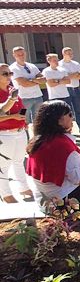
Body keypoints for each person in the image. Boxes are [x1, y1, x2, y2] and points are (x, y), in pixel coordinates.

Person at [0, 63, 32, 203]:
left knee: (19, 162)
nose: (9, 77)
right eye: (5, 74)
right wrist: (12, 116)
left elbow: (22, 106)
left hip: (19, 132)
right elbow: (2, 111)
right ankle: (6, 194)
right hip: (4, 134)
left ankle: (23, 188)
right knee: (3, 166)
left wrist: (22, 118)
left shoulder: (12, 89)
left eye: (10, 73)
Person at [9, 46, 45, 124]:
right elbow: (24, 83)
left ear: (25, 53)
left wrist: (31, 81)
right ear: (14, 55)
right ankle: (26, 135)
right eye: (18, 55)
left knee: (39, 120)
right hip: (23, 99)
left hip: (37, 96)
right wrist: (36, 80)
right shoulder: (13, 68)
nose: (21, 56)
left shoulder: (32, 66)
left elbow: (43, 80)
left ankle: (38, 136)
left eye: (22, 54)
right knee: (23, 119)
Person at [59, 47, 80, 133]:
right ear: (64, 54)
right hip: (65, 89)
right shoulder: (60, 64)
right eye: (68, 53)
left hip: (76, 88)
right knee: (67, 110)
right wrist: (75, 74)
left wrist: (71, 75)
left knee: (78, 108)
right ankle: (67, 128)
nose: (70, 55)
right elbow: (64, 77)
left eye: (71, 53)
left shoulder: (76, 64)